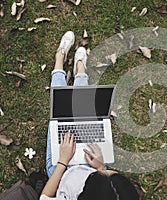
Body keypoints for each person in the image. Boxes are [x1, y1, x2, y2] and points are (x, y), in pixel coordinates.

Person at [40, 31, 139, 200]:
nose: (109, 170)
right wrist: (100, 167)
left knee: (61, 112)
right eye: (111, 172)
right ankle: (80, 70)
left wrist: (63, 161)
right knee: (83, 110)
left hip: (61, 170)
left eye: (105, 173)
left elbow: (44, 197)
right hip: (91, 163)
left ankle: (60, 59)